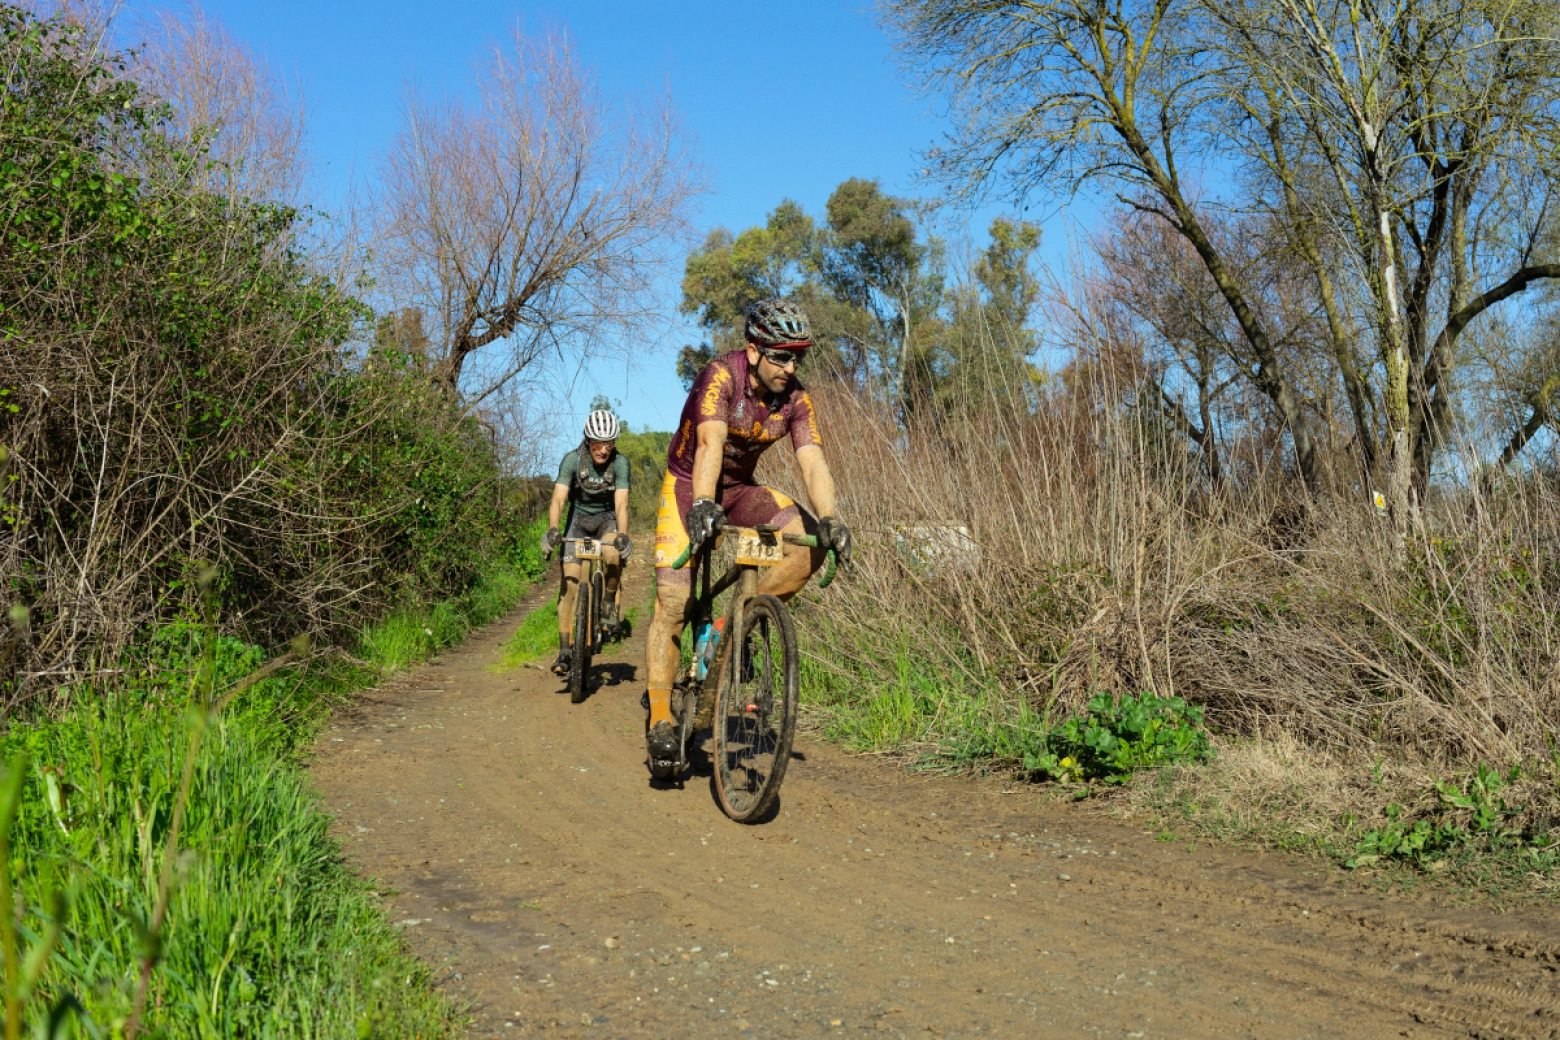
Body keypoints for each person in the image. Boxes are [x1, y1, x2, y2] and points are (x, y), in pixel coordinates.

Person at [644, 298, 853, 767]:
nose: (790, 365)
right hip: (688, 485)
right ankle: (660, 716)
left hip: (740, 490)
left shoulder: (797, 399)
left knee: (808, 543)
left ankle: (728, 627)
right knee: (674, 602)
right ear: (753, 351)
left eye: (797, 355)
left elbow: (812, 459)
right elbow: (709, 442)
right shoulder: (722, 376)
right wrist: (702, 503)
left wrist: (832, 516)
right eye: (780, 354)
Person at [541, 410, 633, 677]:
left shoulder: (621, 464)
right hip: (578, 522)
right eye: (597, 444)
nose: (603, 450)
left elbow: (622, 503)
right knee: (570, 584)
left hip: (606, 521)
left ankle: (607, 602)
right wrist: (553, 529)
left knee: (613, 555)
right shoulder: (572, 460)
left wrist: (622, 535)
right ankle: (564, 650)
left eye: (610, 444)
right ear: (587, 441)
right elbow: (558, 499)